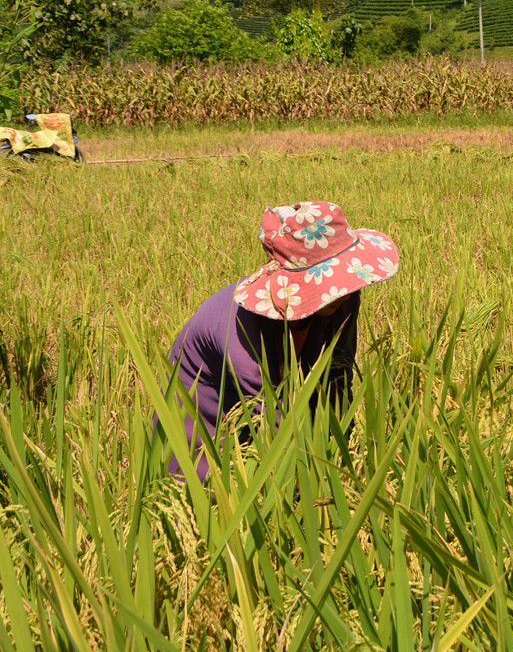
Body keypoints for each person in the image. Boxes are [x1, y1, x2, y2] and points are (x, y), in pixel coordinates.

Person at [159, 201, 399, 481]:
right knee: (221, 503)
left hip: (265, 418)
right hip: (205, 428)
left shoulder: (343, 298)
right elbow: (276, 432)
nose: (344, 293)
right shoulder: (241, 337)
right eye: (334, 284)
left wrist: (346, 460)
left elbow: (337, 376)